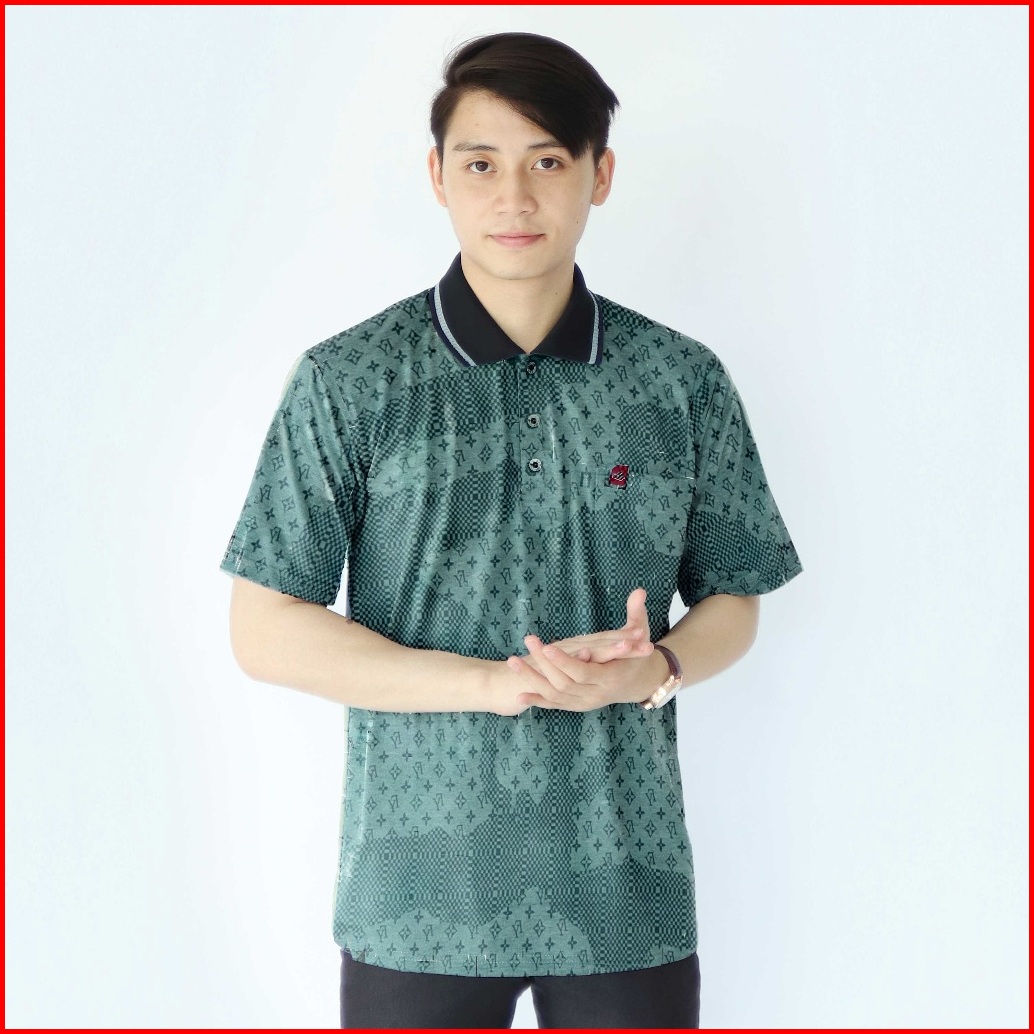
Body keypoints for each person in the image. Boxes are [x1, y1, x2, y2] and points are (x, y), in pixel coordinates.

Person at [220, 31, 802, 1030]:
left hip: (627, 895)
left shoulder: (680, 380)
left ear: (599, 174)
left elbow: (734, 597)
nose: (514, 198)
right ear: (437, 177)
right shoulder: (350, 380)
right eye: (482, 164)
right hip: (414, 899)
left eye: (548, 162)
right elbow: (264, 629)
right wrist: (487, 684)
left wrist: (655, 666)